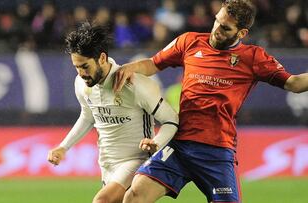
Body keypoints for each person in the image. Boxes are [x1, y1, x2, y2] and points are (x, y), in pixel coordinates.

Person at [113, 1, 308, 203]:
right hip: (179, 145)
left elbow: (294, 83)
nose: (216, 30)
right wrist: (130, 67)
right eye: (217, 21)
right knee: (135, 195)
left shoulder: (253, 57)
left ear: (241, 33)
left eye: (225, 28)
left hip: (216, 151)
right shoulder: (189, 41)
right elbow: (153, 64)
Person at [47, 22, 179, 203]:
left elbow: (171, 120)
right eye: (76, 67)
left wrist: (156, 142)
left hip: (136, 160)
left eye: (84, 66)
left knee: (101, 201)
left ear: (102, 58)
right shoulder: (81, 83)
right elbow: (87, 116)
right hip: (107, 164)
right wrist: (64, 147)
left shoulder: (133, 84)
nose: (81, 73)